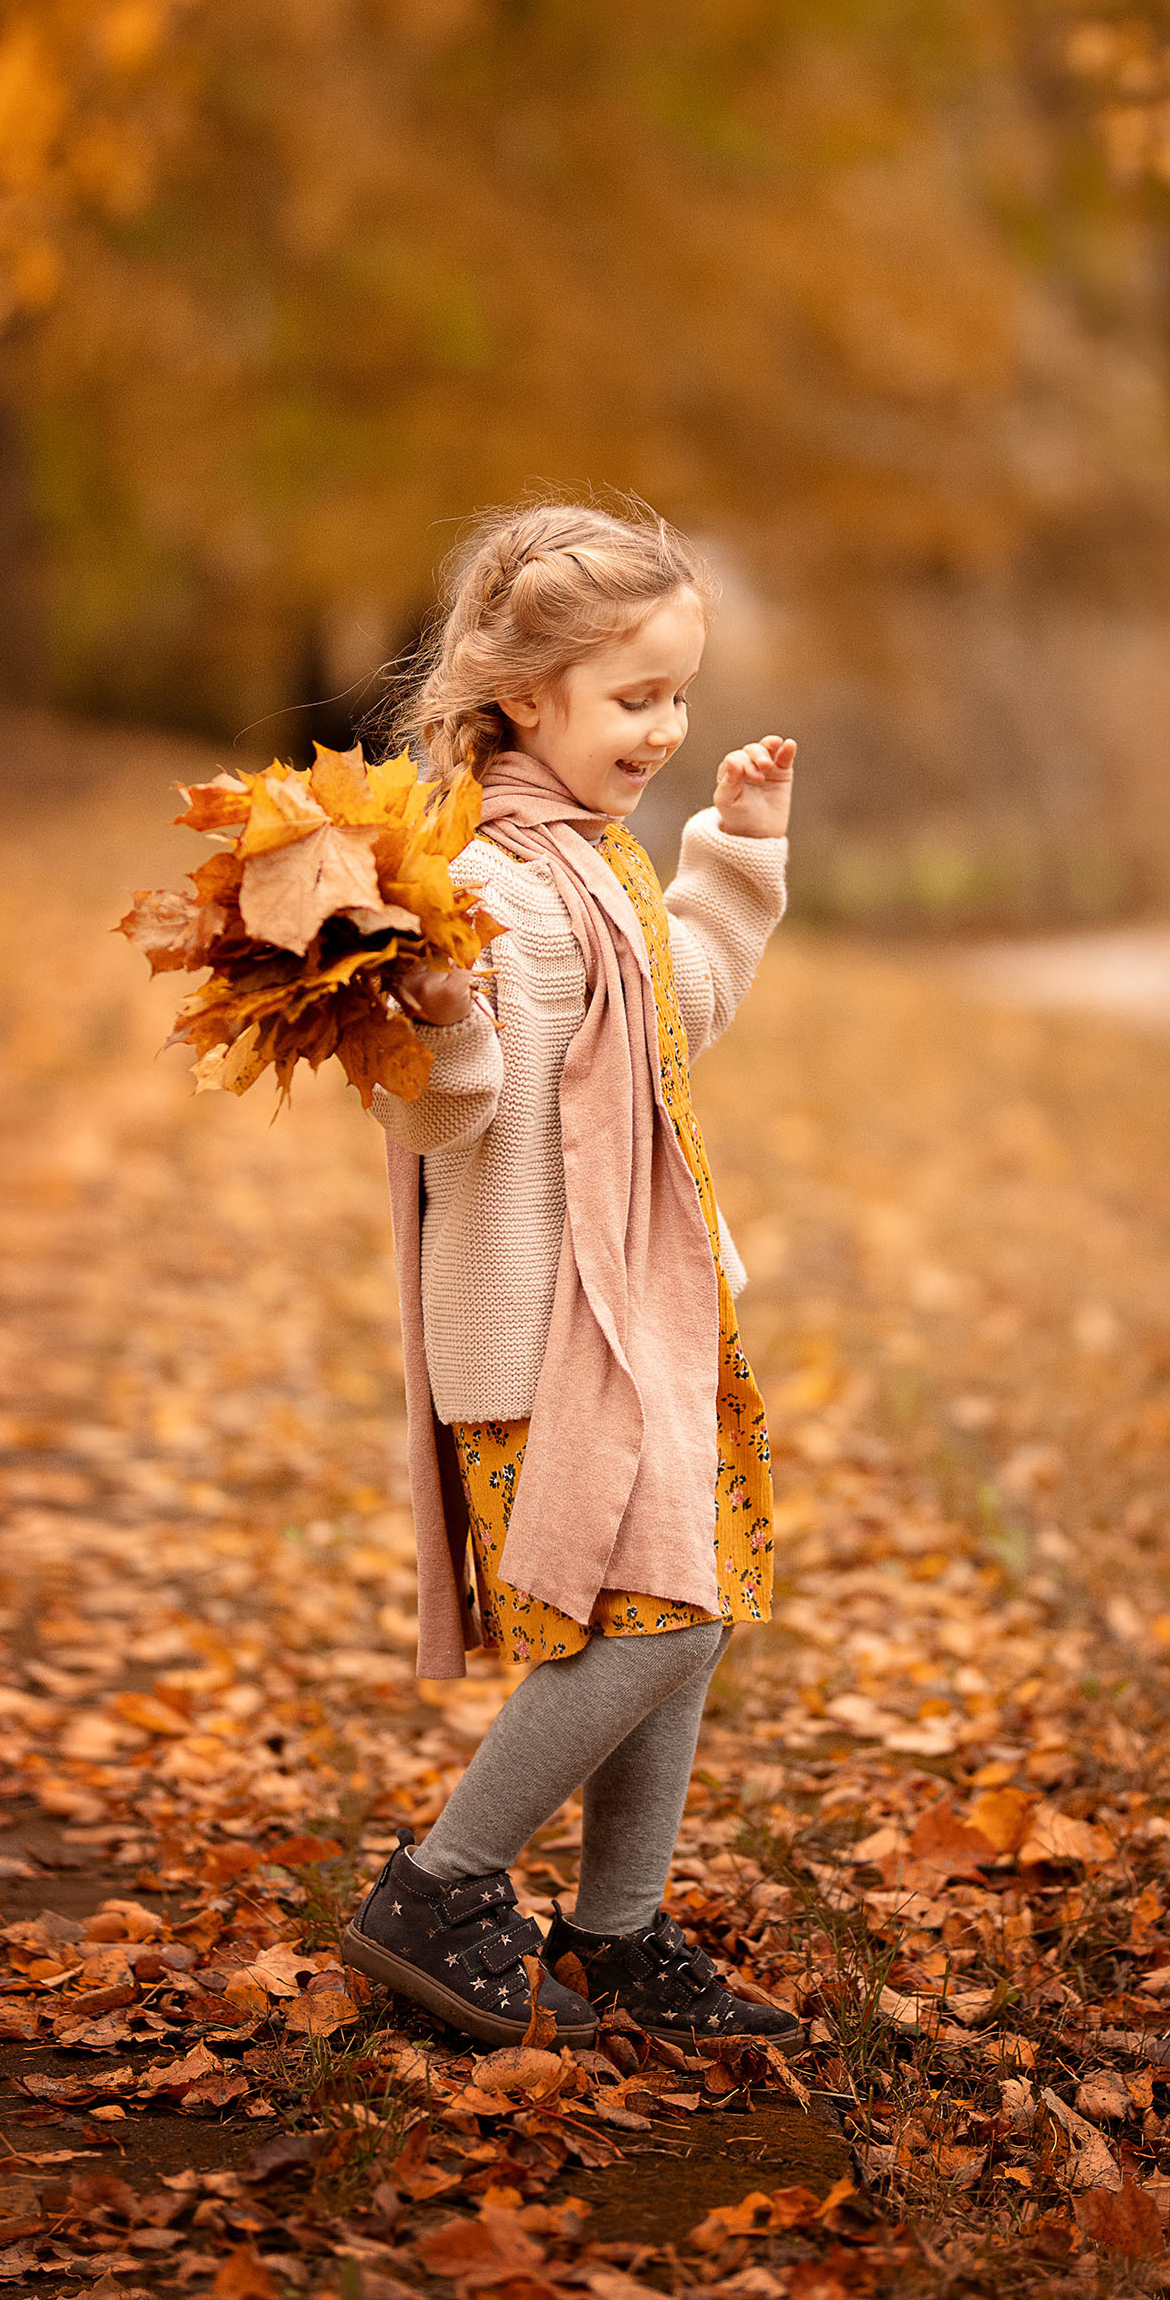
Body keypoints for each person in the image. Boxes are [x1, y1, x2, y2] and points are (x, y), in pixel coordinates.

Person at [340, 499, 802, 2052]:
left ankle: (618, 1932)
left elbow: (678, 1016)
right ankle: (443, 1885)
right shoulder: (482, 878)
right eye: (634, 698)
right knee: (663, 1617)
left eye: (679, 694)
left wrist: (734, 852)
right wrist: (439, 1010)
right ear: (521, 694)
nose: (666, 727)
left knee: (699, 1601)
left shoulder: (593, 866)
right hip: (543, 1324)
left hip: (643, 1313)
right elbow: (436, 1103)